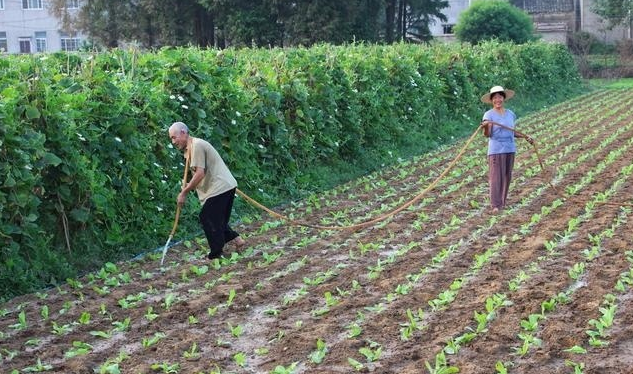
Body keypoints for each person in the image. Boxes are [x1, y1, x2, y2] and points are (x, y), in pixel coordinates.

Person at [168, 121, 246, 259]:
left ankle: (216, 254)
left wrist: (184, 192)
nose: (173, 142)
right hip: (222, 187)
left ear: (183, 133)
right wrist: (186, 185)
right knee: (216, 219)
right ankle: (237, 240)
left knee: (207, 217)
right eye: (171, 139)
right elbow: (196, 172)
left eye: (174, 137)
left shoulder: (196, 145)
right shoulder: (189, 149)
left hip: (220, 187)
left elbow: (200, 174)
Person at [480, 86, 533, 213]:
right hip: (496, 150)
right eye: (495, 97)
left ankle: (502, 203)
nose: (498, 100)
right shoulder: (488, 115)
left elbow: (512, 132)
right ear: (492, 100)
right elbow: (487, 134)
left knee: (506, 176)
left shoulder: (510, 114)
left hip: (510, 148)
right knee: (496, 177)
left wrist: (526, 137)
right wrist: (486, 127)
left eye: (500, 97)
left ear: (504, 98)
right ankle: (495, 205)